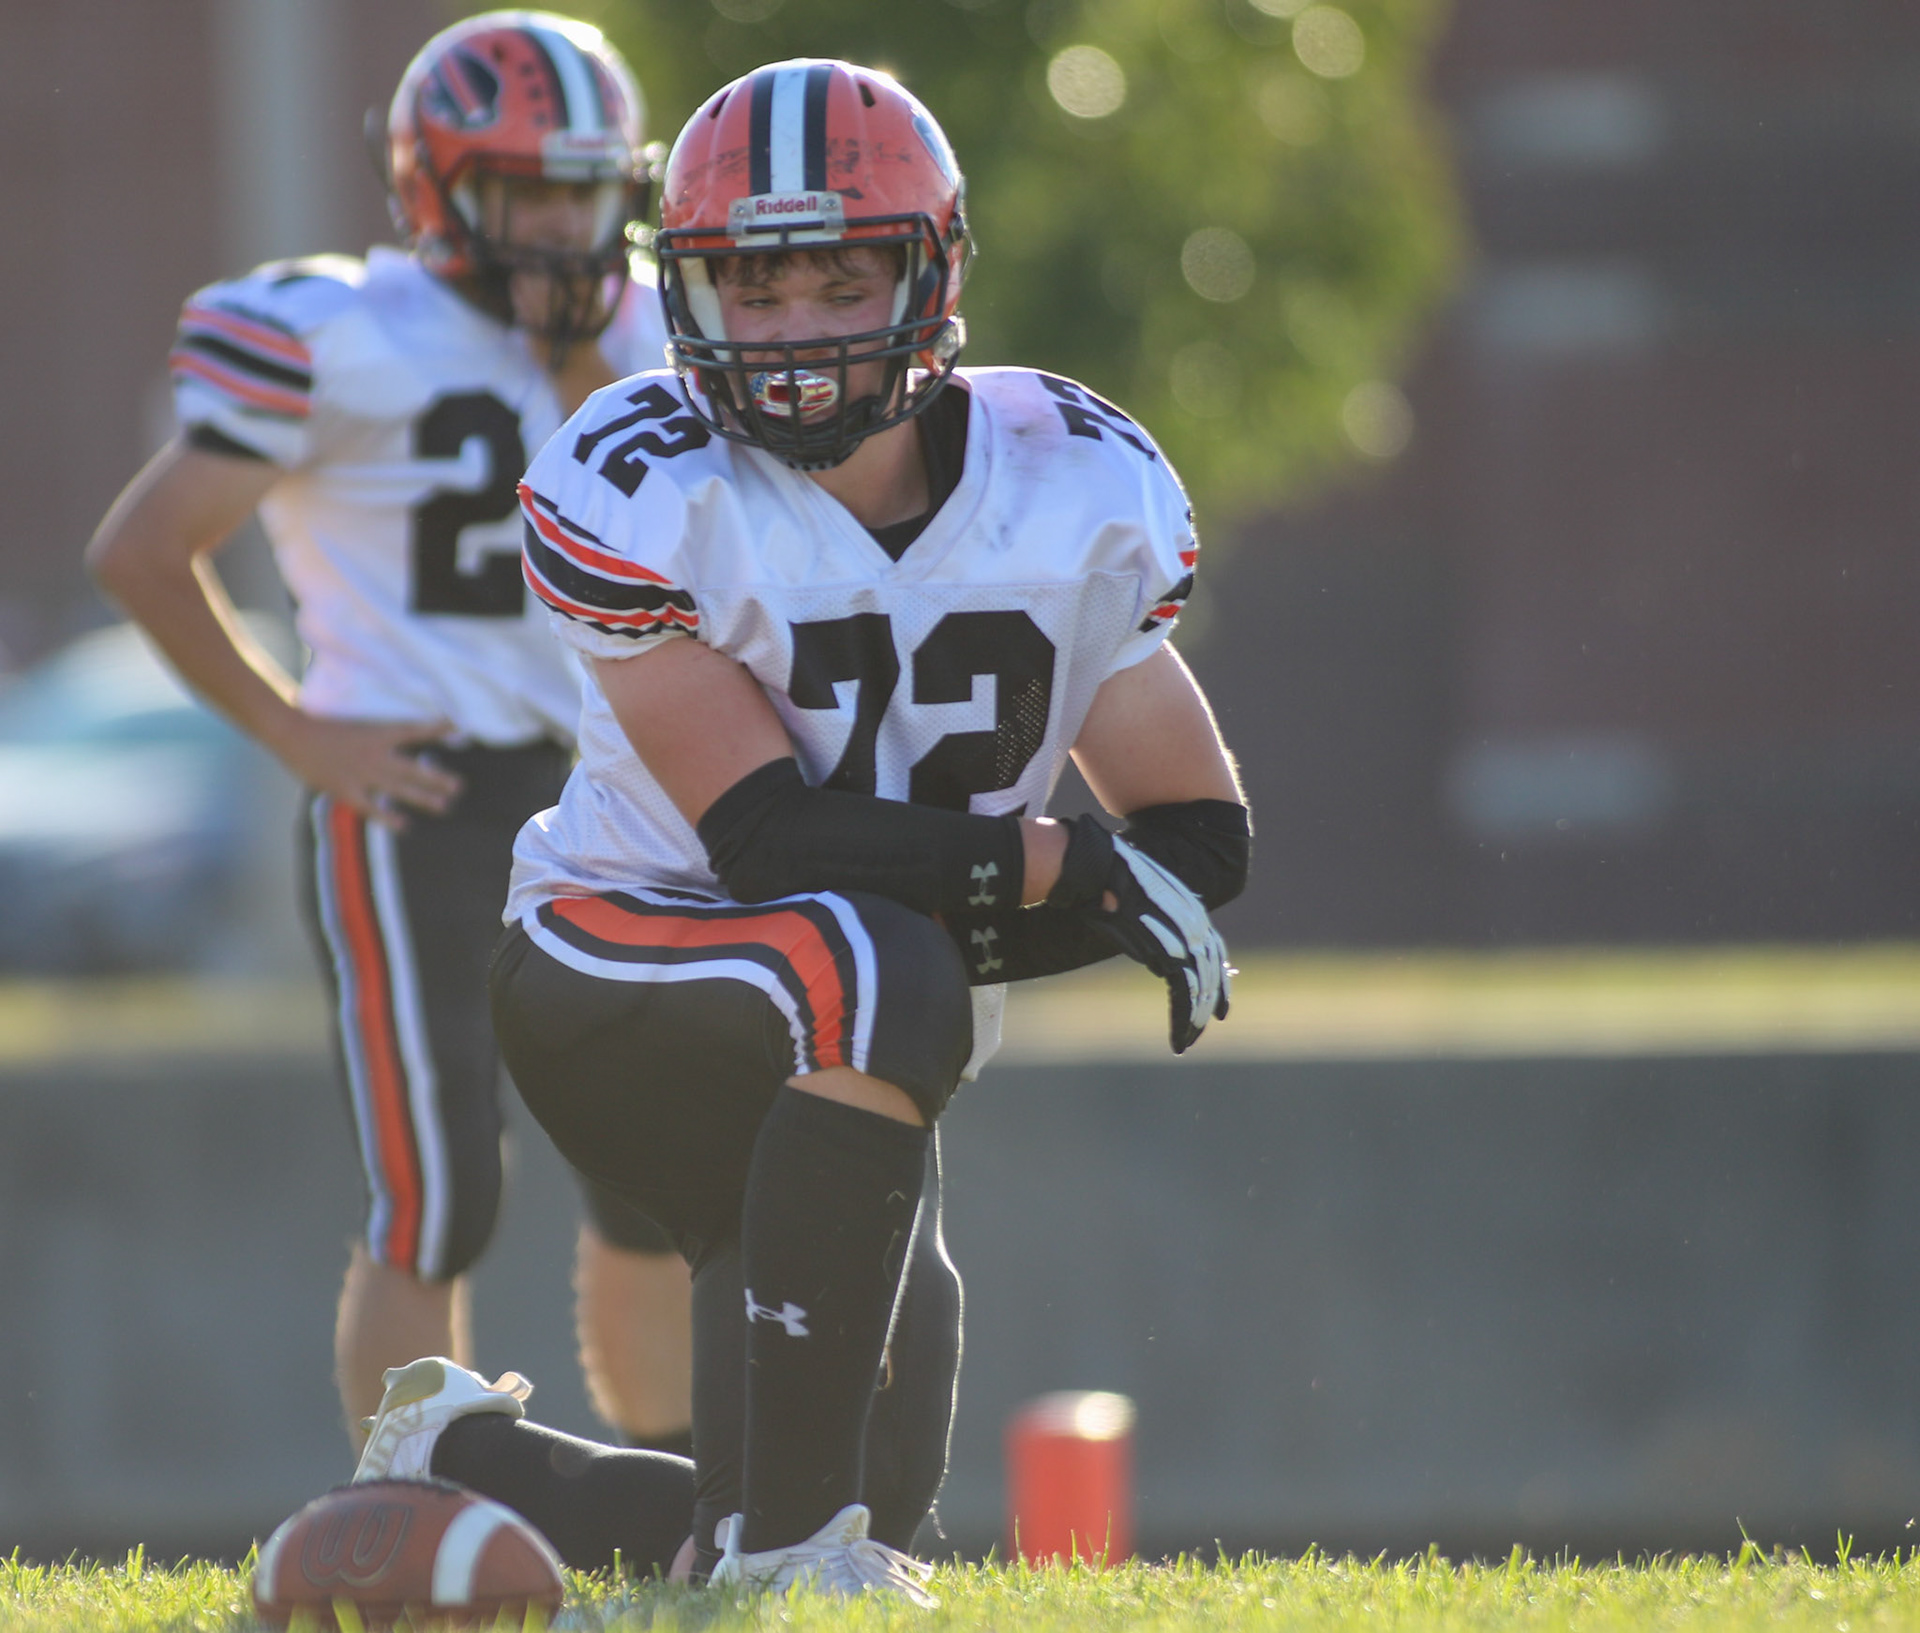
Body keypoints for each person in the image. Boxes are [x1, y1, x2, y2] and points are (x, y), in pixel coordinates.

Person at [483, 57, 1248, 1604]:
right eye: (752, 294)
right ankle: (785, 1550)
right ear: (688, 296)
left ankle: (473, 1466)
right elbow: (766, 841)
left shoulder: (1068, 484)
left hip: (854, 991)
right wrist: (1057, 874)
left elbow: (1196, 834)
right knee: (880, 968)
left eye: (842, 283)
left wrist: (1063, 887)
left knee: (866, 1477)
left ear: (933, 276)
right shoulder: (646, 485)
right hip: (619, 955)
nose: (796, 335)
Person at [85, 11, 694, 1455]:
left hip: (611, 789)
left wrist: (566, 373)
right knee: (439, 1188)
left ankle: (676, 1499)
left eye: (584, 187)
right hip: (412, 790)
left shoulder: (652, 326)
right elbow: (143, 549)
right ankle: (417, 1503)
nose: (562, 222)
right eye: (527, 190)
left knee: (653, 1168)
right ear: (439, 190)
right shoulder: (343, 330)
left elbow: (670, 522)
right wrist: (296, 732)